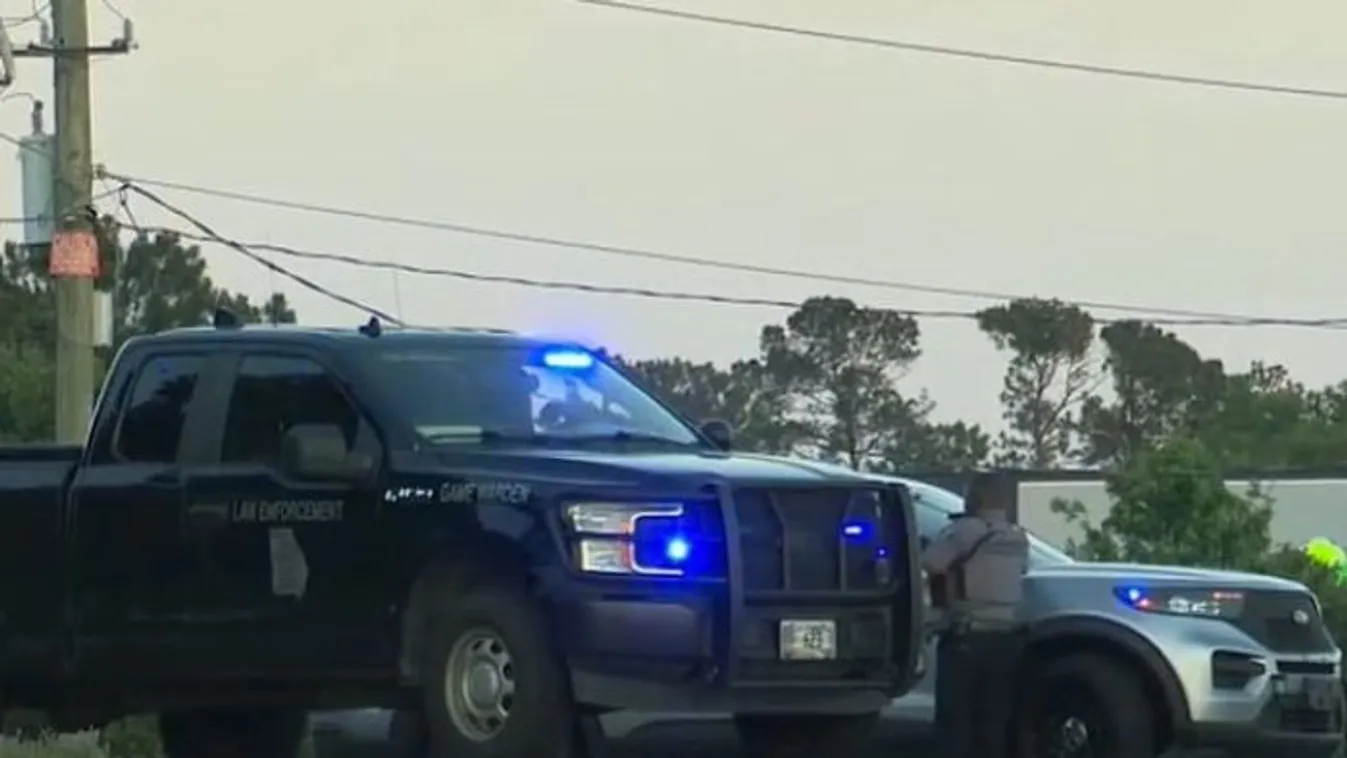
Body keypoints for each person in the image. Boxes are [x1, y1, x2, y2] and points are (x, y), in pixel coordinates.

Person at [921, 470, 1030, 758]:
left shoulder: (963, 531)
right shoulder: (1018, 537)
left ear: (976, 496)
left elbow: (931, 563)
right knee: (994, 722)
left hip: (966, 637)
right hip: (1006, 641)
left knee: (955, 723)